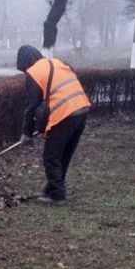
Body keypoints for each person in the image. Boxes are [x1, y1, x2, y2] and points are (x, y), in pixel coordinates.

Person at [16, 45, 91, 205]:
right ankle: (51, 188)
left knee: (51, 156)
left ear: (25, 63)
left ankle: (57, 195)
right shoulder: (57, 62)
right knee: (63, 154)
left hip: (66, 113)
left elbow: (31, 105)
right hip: (82, 109)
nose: (25, 73)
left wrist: (26, 133)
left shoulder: (34, 72)